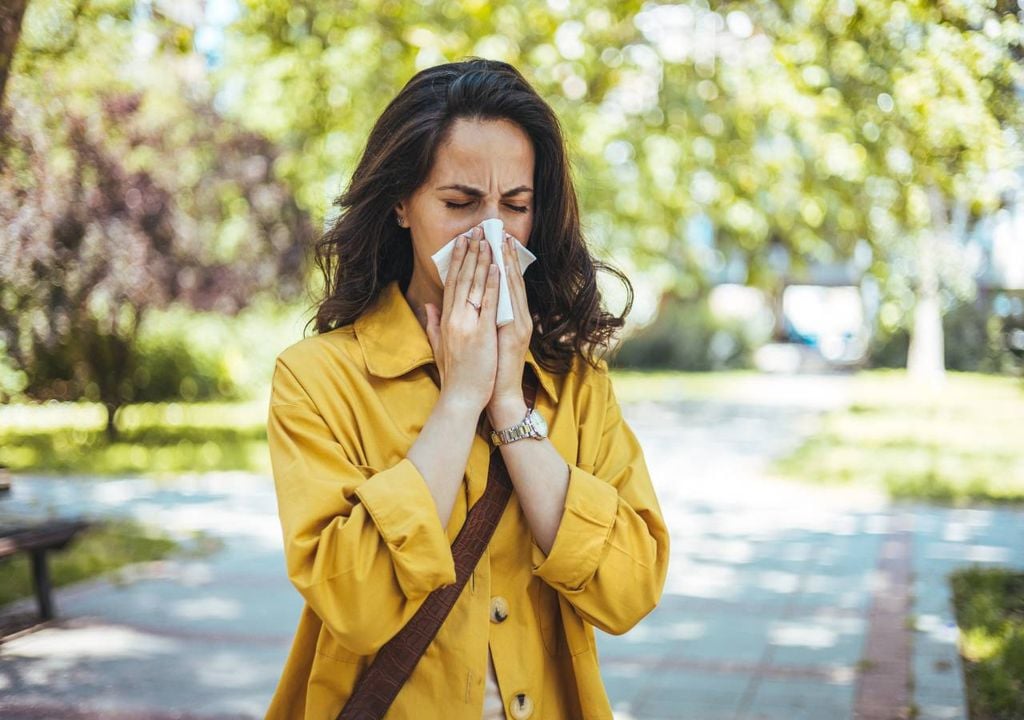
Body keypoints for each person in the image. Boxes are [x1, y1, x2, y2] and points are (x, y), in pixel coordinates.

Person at [265, 58, 669, 720]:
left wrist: (509, 402)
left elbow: (630, 591)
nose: (490, 233)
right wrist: (459, 401)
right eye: (459, 204)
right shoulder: (318, 378)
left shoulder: (576, 382)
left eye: (515, 206)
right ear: (401, 203)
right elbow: (354, 604)